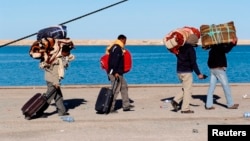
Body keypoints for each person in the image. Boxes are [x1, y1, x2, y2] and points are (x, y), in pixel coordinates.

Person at [36, 44, 75, 118]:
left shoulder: (58, 57)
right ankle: (39, 112)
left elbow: (69, 59)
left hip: (51, 79)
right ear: (63, 52)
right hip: (52, 81)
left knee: (58, 96)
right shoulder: (57, 59)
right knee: (48, 98)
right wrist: (56, 83)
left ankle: (62, 112)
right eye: (67, 53)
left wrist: (66, 59)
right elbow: (55, 73)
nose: (68, 54)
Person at [171, 34, 206, 114]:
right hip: (186, 72)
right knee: (188, 91)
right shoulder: (191, 49)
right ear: (194, 42)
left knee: (185, 89)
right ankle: (185, 109)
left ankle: (175, 100)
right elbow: (193, 63)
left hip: (179, 72)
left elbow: (178, 56)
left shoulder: (180, 47)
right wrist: (199, 74)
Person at [205, 37, 239, 110]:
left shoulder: (211, 50)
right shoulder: (219, 47)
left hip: (212, 70)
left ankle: (208, 105)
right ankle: (230, 104)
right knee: (226, 86)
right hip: (219, 70)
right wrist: (232, 43)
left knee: (211, 87)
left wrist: (232, 44)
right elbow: (226, 50)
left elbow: (208, 62)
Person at [106, 34, 134, 113]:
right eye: (125, 40)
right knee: (115, 90)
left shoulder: (115, 47)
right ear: (122, 39)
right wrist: (115, 72)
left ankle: (126, 105)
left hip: (118, 72)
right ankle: (110, 108)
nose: (125, 42)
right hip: (116, 73)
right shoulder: (117, 48)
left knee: (124, 86)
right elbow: (115, 61)